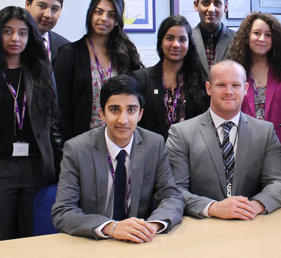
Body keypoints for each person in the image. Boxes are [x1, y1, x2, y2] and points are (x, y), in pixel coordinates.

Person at [0, 6, 62, 242]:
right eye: (8, 31)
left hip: (37, 169)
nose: (15, 38)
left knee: (35, 240)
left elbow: (53, 126)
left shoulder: (41, 73)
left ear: (30, 37)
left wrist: (62, 175)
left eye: (23, 33)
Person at [52, 75, 184, 242]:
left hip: (137, 241)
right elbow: (63, 211)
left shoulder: (154, 145)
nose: (123, 120)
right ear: (102, 113)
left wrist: (152, 226)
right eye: (115, 109)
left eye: (131, 110)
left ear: (140, 114)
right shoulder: (77, 150)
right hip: (94, 241)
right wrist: (111, 227)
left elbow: (171, 196)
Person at [167, 60, 281, 220]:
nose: (229, 91)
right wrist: (213, 208)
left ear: (245, 89)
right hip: (201, 228)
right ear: (208, 88)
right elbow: (174, 189)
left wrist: (254, 205)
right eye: (221, 85)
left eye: (235, 85)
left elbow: (279, 183)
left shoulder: (264, 132)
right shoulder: (181, 134)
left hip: (250, 225)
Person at [54, 0, 143, 142]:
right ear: (91, 14)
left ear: (117, 21)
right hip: (83, 141)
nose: (103, 18)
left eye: (111, 15)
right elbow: (61, 108)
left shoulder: (126, 53)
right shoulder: (69, 53)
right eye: (99, 12)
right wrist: (67, 146)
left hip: (121, 138)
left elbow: (136, 96)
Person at [228, 12, 281, 146]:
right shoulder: (234, 72)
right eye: (256, 33)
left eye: (268, 35)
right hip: (242, 148)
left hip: (279, 149)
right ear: (247, 36)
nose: (262, 39)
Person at [133, 15, 209, 140]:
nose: (176, 44)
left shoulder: (199, 81)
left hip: (189, 154)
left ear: (189, 44)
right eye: (170, 38)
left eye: (182, 40)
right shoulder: (141, 79)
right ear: (161, 42)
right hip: (152, 154)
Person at [190, 0, 236, 74]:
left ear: (225, 7)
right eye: (206, 3)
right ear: (196, 5)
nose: (211, 9)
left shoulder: (238, 39)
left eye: (217, 3)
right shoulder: (186, 39)